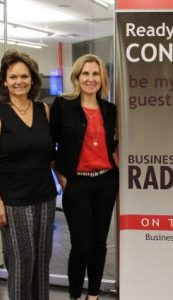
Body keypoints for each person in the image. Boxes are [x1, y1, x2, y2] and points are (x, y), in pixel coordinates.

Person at [50, 54, 119, 300]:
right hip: (76, 183)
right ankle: (76, 295)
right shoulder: (63, 106)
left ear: (102, 77)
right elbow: (51, 145)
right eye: (86, 73)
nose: (91, 79)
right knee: (81, 245)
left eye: (96, 73)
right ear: (77, 77)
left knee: (100, 243)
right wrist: (62, 177)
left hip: (106, 182)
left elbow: (114, 146)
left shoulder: (110, 110)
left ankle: (93, 295)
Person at [0, 49, 57, 300]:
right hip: (14, 200)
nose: (19, 82)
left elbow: (49, 154)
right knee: (22, 263)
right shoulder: (1, 113)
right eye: (13, 77)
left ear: (32, 79)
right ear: (4, 81)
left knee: (42, 262)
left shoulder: (44, 110)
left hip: (45, 196)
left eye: (24, 76)